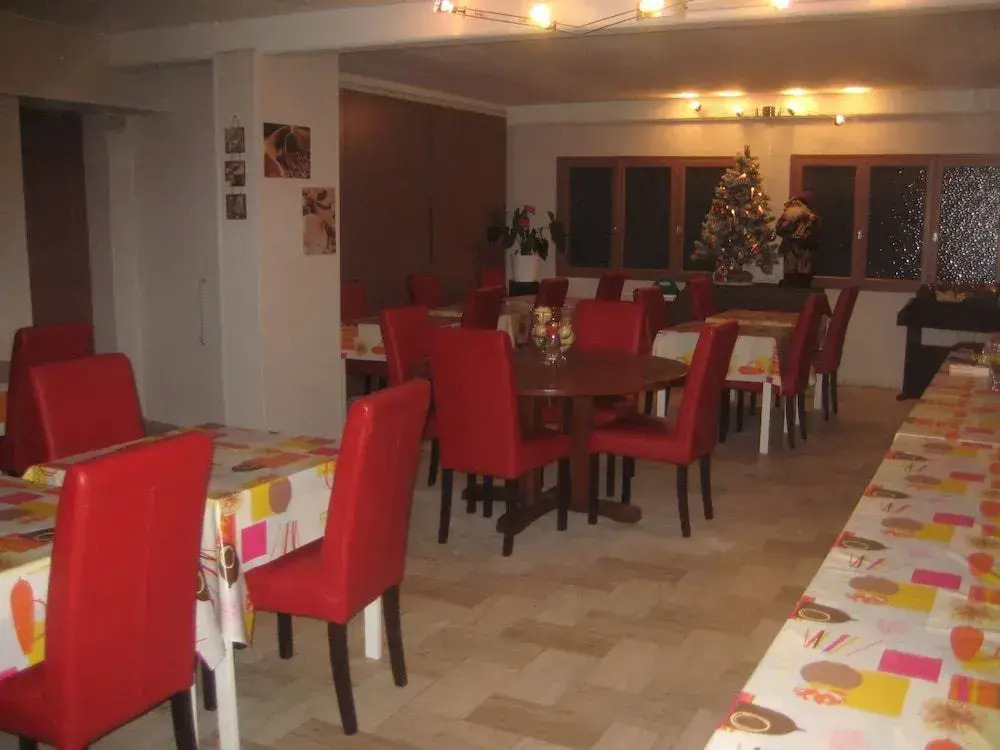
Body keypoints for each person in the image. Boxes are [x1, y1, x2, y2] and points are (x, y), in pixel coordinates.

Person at [776, 192, 820, 288]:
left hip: (803, 247)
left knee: (801, 267)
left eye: (797, 203)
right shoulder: (787, 217)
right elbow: (779, 230)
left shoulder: (810, 218)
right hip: (793, 247)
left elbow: (814, 234)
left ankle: (799, 282)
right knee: (792, 267)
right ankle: (793, 281)